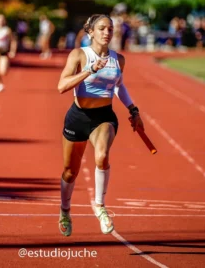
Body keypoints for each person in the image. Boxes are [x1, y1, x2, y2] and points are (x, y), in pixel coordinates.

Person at [57, 14, 144, 237]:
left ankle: (100, 206)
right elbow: (61, 86)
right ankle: (65, 211)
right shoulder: (79, 55)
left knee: (102, 156)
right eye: (102, 28)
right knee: (70, 172)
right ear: (91, 32)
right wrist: (89, 70)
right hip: (78, 117)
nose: (107, 32)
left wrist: (133, 110)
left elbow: (119, 86)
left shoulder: (118, 60)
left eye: (110, 29)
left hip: (104, 116)